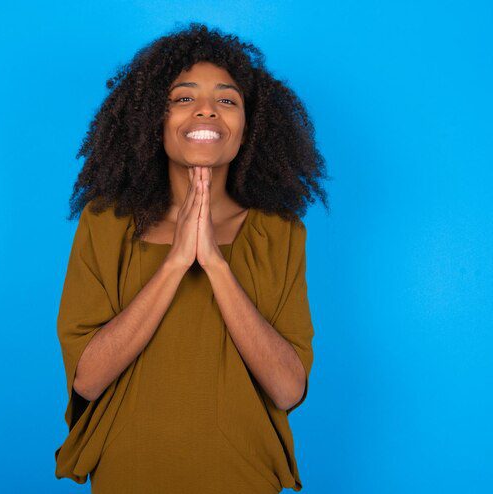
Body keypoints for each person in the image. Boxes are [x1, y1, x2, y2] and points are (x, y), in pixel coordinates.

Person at [54, 22, 330, 493]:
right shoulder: (105, 226)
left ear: (248, 129)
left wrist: (217, 266)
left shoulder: (279, 234)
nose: (206, 110)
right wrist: (177, 261)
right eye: (183, 98)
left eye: (227, 100)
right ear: (152, 122)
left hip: (243, 477)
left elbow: (288, 388)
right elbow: (87, 379)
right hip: (128, 475)